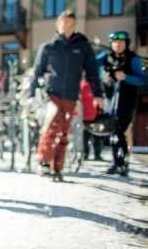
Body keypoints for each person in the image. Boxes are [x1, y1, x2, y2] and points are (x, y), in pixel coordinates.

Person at [29, 10, 103, 182]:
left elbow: (92, 72)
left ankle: (57, 167)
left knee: (64, 131)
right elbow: (36, 72)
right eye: (64, 24)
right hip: (51, 95)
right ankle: (44, 161)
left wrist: (98, 94)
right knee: (51, 127)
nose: (67, 27)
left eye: (70, 24)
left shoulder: (82, 47)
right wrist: (32, 94)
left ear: (74, 25)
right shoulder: (48, 47)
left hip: (70, 95)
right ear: (58, 25)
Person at [97, 31, 145, 176]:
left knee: (118, 130)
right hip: (111, 100)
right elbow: (90, 62)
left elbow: (141, 79)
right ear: (111, 44)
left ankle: (121, 163)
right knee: (113, 131)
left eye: (121, 42)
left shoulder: (133, 59)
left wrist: (126, 77)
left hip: (127, 100)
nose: (118, 45)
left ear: (126, 43)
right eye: (115, 42)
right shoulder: (106, 57)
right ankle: (118, 162)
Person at [79, 80, 103, 162]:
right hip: (91, 114)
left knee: (87, 136)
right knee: (95, 136)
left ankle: (87, 154)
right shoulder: (94, 84)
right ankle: (96, 154)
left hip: (88, 114)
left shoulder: (82, 84)